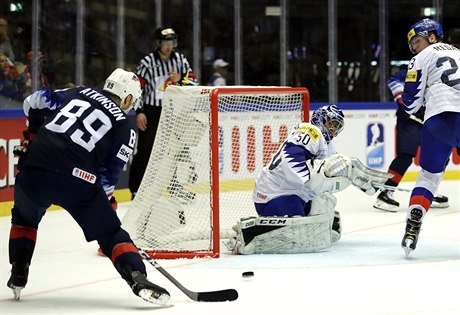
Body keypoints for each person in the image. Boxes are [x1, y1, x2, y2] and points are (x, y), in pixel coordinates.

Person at [7, 68, 170, 305]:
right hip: (76, 180)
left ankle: (19, 270)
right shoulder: (125, 127)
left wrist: (32, 137)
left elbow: (33, 102)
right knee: (111, 233)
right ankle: (136, 275)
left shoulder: (78, 91)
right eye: (132, 102)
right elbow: (107, 177)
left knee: (24, 219)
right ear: (126, 98)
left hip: (35, 166)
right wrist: (106, 204)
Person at [228, 105, 392, 254]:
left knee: (327, 199)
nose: (333, 129)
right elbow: (290, 156)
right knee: (299, 234)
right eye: (331, 123)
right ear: (320, 119)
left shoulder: (326, 142)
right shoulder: (311, 131)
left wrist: (357, 178)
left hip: (295, 194)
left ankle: (318, 222)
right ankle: (249, 233)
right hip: (274, 196)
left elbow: (334, 171)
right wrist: (310, 180)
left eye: (337, 127)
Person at [399, 19, 460, 256]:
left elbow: (410, 102)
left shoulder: (421, 58)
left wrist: (417, 106)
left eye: (417, 41)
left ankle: (414, 218)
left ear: (432, 37)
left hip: (440, 120)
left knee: (429, 176)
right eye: (413, 45)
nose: (415, 47)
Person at [129, 27, 198, 200]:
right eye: (165, 42)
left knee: (175, 151)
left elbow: (194, 83)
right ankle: (136, 189)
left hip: (173, 112)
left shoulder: (181, 61)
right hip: (151, 113)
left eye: (171, 42)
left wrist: (180, 80)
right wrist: (139, 111)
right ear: (159, 43)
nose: (168, 46)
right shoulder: (147, 62)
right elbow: (138, 88)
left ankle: (174, 189)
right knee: (145, 151)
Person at [373, 67, 449, 212]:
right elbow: (394, 80)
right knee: (405, 156)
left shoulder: (446, 71)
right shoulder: (419, 66)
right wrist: (402, 102)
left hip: (431, 117)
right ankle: (385, 192)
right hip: (410, 118)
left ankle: (429, 192)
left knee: (440, 156)